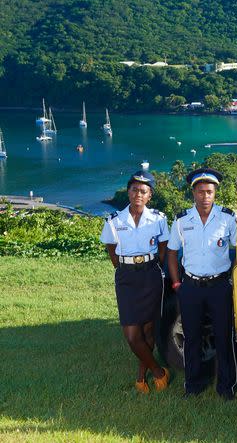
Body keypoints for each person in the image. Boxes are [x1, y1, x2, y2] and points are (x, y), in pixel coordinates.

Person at [166, 167, 237, 400]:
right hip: (191, 287)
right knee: (192, 338)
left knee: (224, 337)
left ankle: (226, 387)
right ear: (193, 193)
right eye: (200, 192)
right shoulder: (181, 220)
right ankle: (193, 385)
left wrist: (233, 278)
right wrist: (177, 284)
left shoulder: (228, 218)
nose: (204, 196)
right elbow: (172, 252)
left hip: (219, 287)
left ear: (215, 193)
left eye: (209, 191)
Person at [100, 169, 170, 394]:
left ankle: (141, 377)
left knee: (148, 330)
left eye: (143, 191)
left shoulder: (158, 219)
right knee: (132, 335)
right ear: (128, 192)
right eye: (134, 190)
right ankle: (159, 371)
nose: (138, 194)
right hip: (127, 278)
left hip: (151, 275)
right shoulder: (114, 221)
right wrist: (127, 268)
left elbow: (163, 248)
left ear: (149, 195)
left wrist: (150, 267)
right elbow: (112, 252)